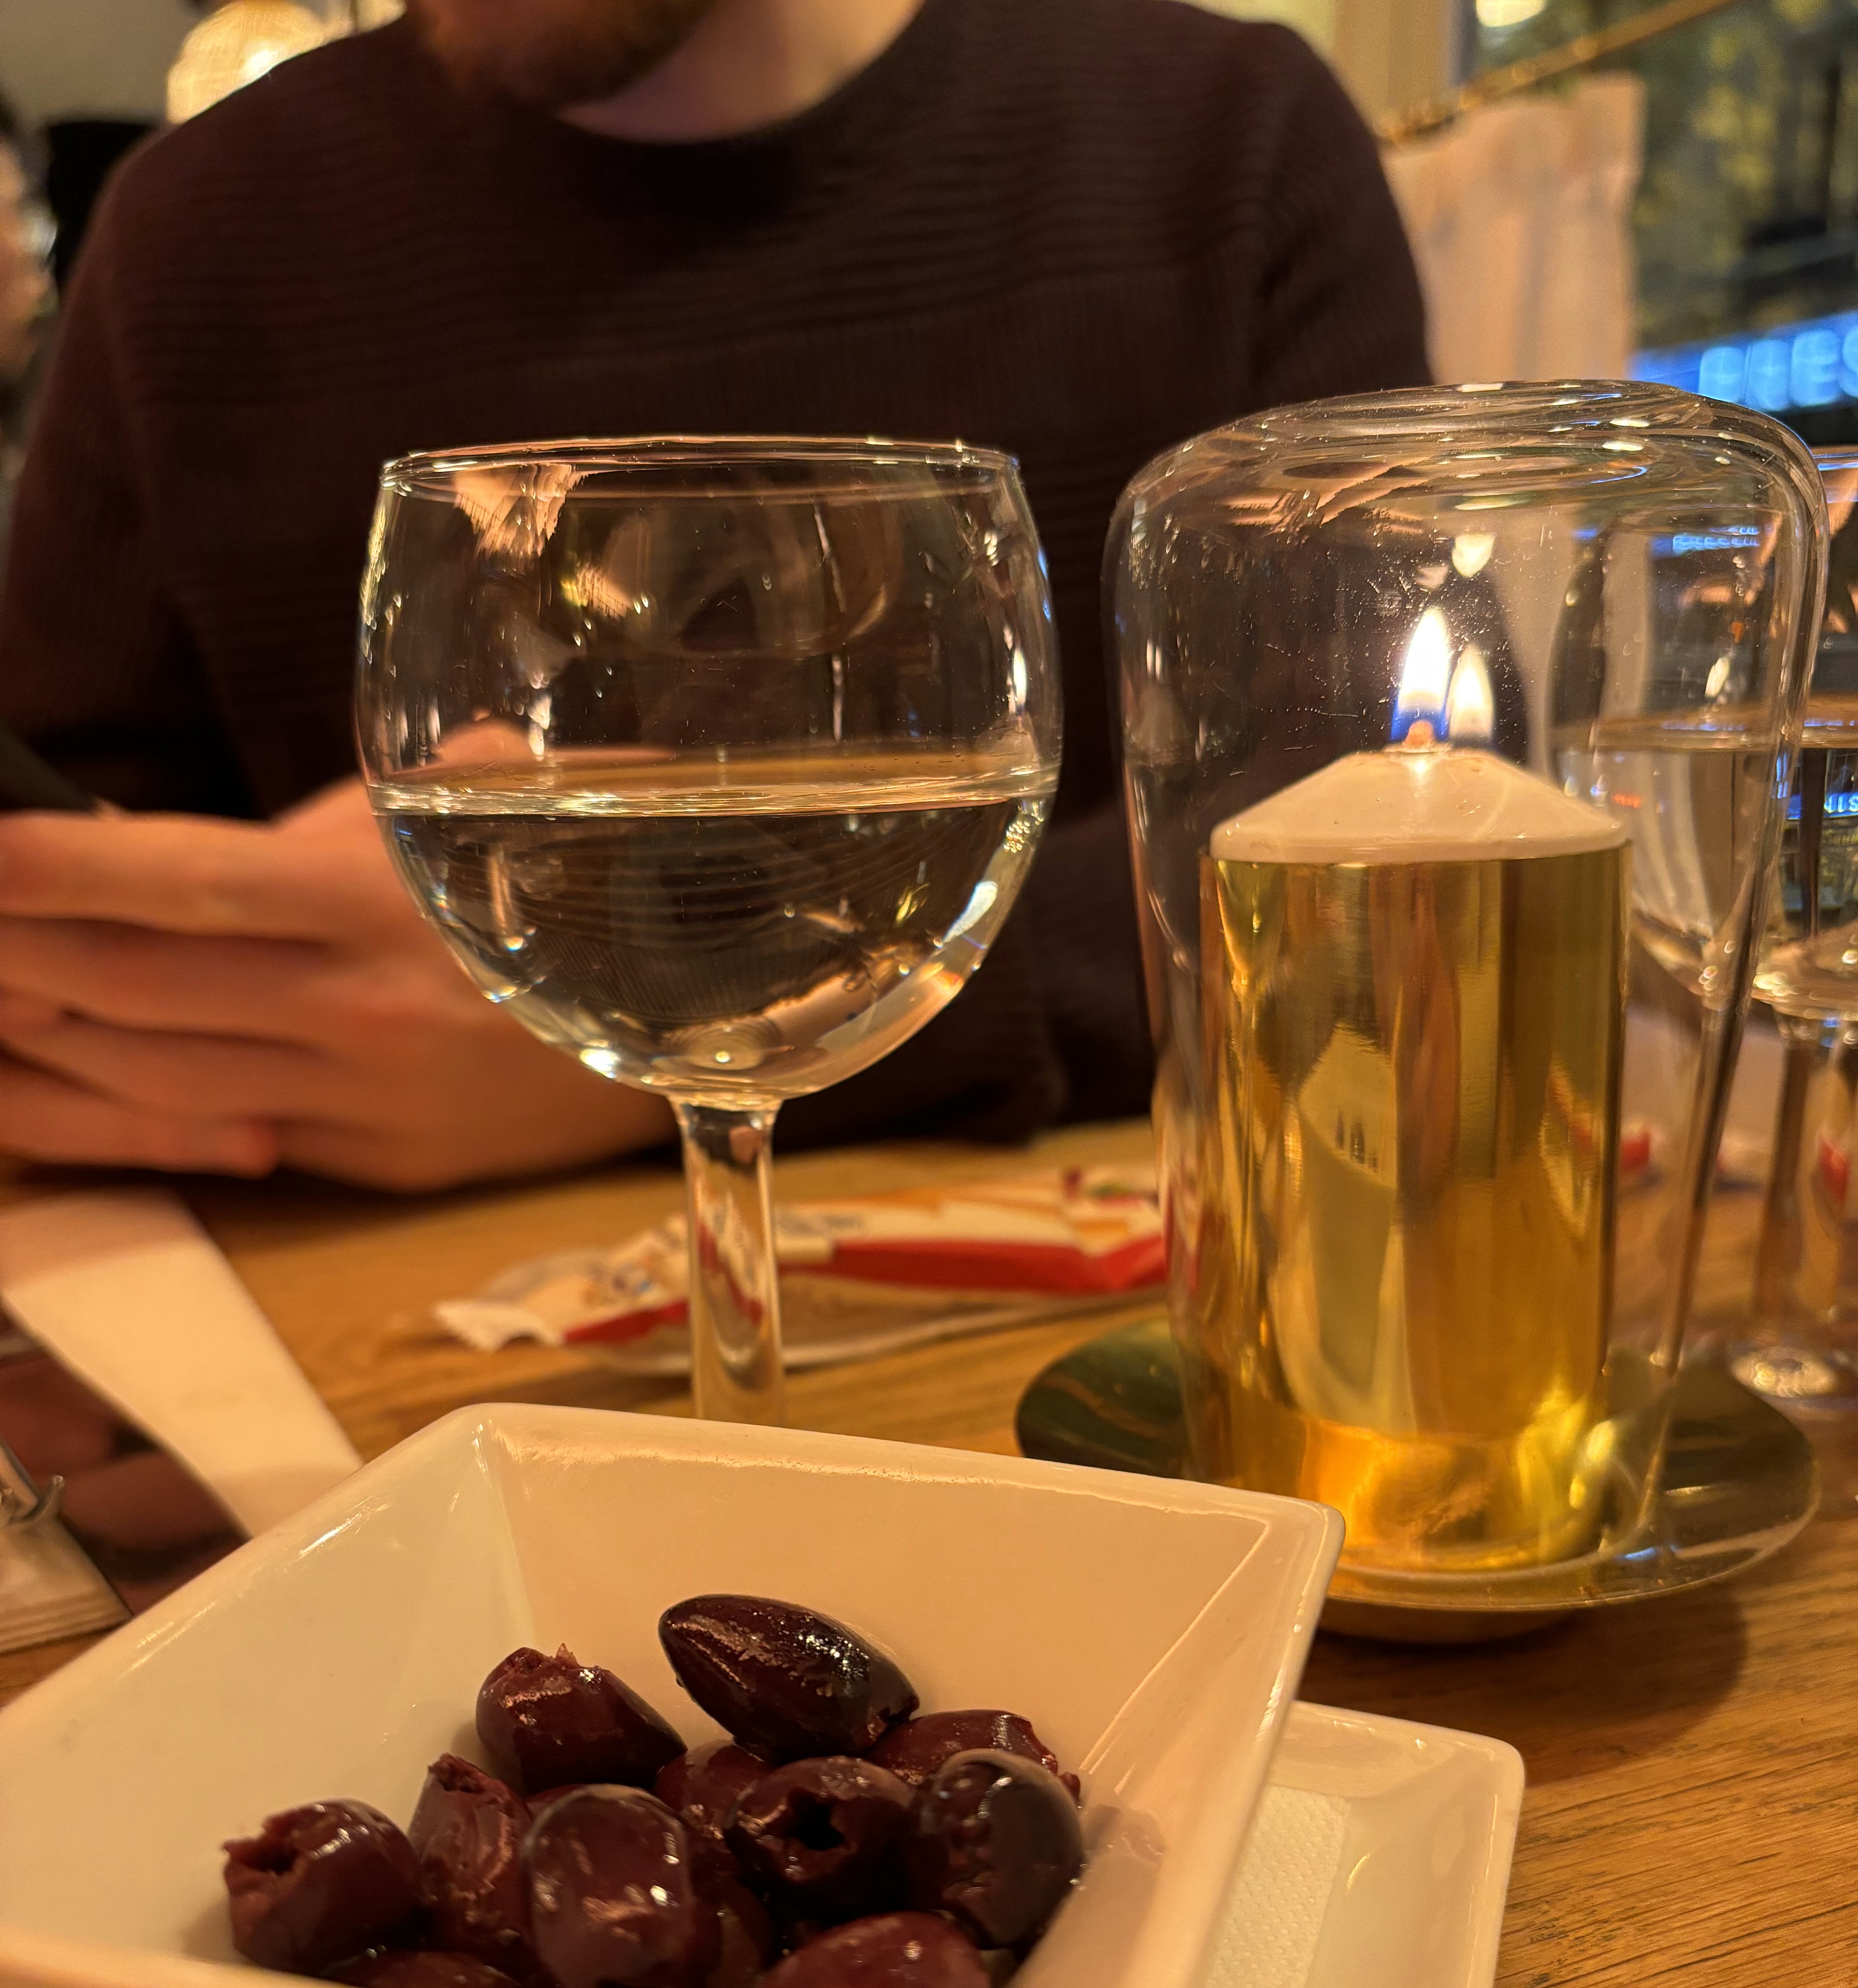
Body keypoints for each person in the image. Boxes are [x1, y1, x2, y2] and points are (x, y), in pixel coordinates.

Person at [0, 0, 1427, 1191]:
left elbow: (1383, 841)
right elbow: (68, 858)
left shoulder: (1224, 147)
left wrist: (676, 1035)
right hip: (371, 1346)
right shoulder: (195, 234)